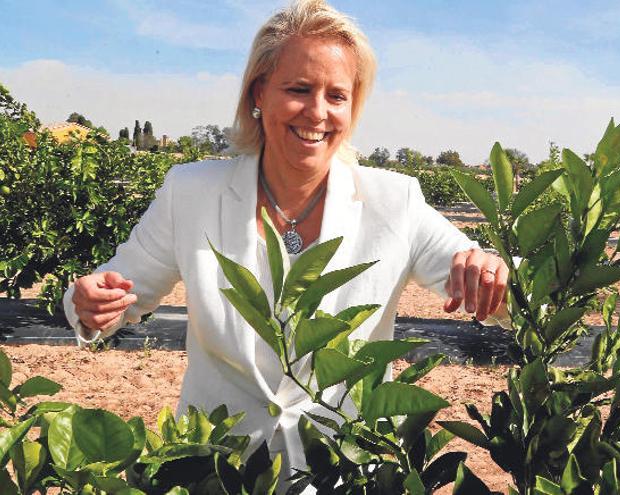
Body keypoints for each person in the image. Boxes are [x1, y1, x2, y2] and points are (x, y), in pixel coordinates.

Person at [62, 0, 509, 491]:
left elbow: (497, 286)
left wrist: (493, 273)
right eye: (298, 89)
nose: (317, 112)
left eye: (336, 95)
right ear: (259, 93)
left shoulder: (394, 200)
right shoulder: (190, 192)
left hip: (343, 473)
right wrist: (90, 304)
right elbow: (121, 287)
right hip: (219, 472)